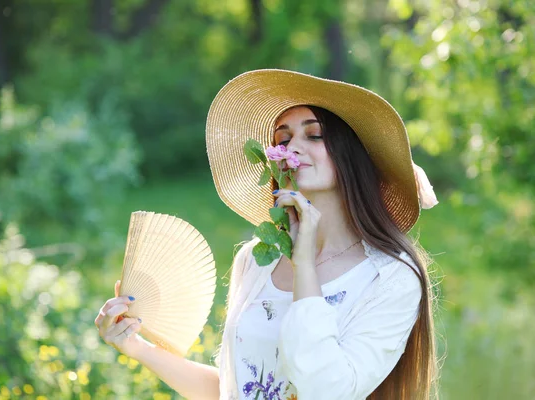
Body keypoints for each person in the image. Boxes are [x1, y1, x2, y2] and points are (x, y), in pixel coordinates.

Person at [95, 69, 440, 400]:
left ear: (351, 153)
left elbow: (327, 392)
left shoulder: (391, 277)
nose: (293, 148)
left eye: (314, 135)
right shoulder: (259, 259)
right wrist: (135, 346)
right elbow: (234, 389)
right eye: (283, 139)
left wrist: (304, 265)